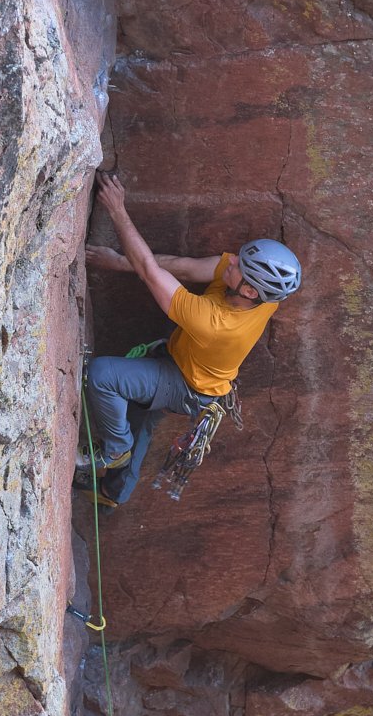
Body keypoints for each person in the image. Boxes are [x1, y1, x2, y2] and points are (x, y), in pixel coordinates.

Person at [77, 174, 302, 504]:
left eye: (240, 265)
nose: (232, 260)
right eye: (240, 257)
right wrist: (121, 263)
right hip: (193, 372)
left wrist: (117, 210)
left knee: (103, 376)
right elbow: (181, 268)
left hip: (185, 385)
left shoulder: (215, 323)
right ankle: (115, 493)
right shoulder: (263, 297)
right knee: (139, 415)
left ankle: (114, 450)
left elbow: (152, 271)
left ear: (250, 291)